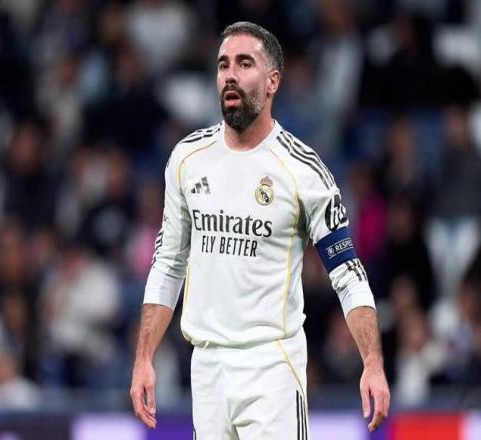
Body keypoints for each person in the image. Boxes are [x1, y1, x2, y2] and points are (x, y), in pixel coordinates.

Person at [130, 21, 390, 439]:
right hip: (207, 367)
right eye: (223, 65)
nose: (230, 75)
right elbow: (168, 263)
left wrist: (372, 363)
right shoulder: (186, 160)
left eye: (244, 63)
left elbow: (348, 273)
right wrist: (144, 357)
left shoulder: (304, 171)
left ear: (272, 82)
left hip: (272, 369)